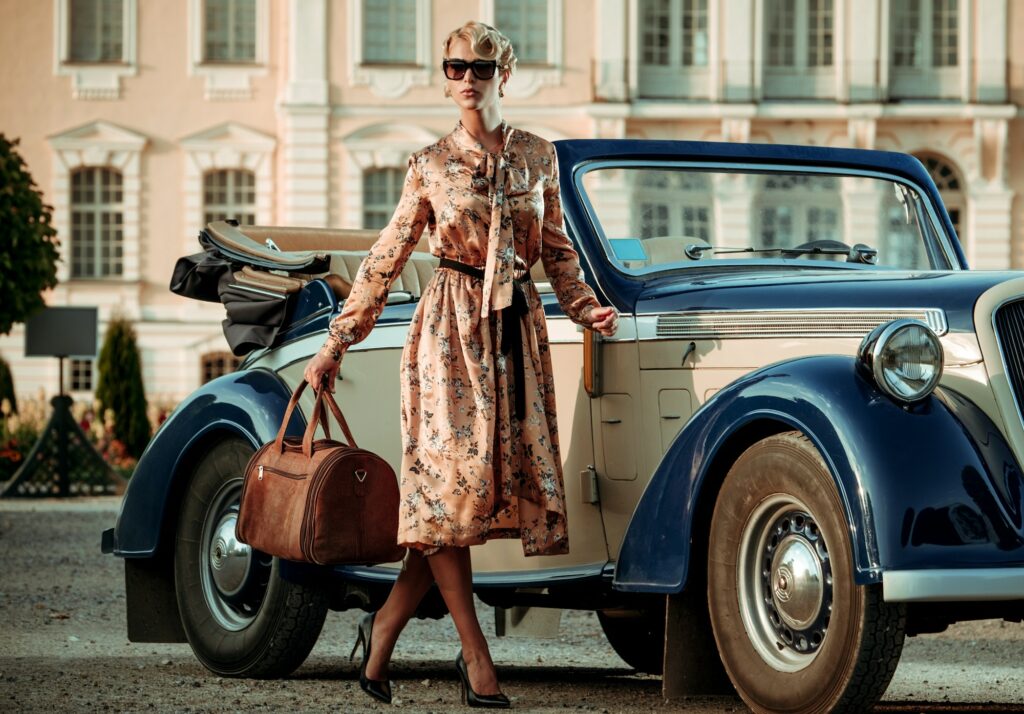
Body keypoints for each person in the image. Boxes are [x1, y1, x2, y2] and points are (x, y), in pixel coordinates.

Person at [303, 20, 618, 709]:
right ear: (445, 77)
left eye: (479, 67)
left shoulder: (540, 156)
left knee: (459, 502)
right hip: (446, 334)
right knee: (450, 492)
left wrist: (586, 308)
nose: (465, 79)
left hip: (513, 330)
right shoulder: (428, 164)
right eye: (453, 68)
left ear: (506, 72)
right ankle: (477, 657)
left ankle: (382, 634)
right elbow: (385, 258)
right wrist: (334, 344)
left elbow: (558, 252)